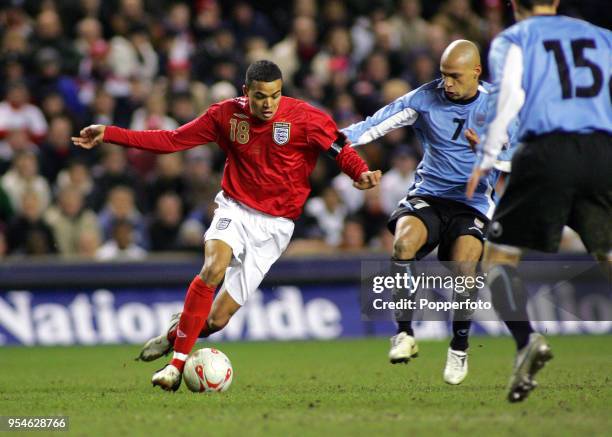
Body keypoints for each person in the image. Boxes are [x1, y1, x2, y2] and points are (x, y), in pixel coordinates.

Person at [72, 60, 381, 391]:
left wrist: (359, 172)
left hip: (276, 228)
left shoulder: (305, 117)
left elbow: (340, 149)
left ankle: (173, 336)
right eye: (261, 96)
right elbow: (172, 140)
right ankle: (176, 366)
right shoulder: (225, 116)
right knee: (213, 267)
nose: (268, 104)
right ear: (246, 92)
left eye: (275, 96)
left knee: (216, 321)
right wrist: (110, 133)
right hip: (235, 207)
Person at [343, 40, 516, 385]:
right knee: (402, 245)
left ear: (476, 72)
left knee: (465, 267)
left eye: (455, 76)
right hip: (429, 195)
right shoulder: (424, 98)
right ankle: (404, 333)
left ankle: (459, 347)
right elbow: (373, 125)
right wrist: (329, 140)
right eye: (443, 75)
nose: (447, 83)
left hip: (473, 203)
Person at [466, 0, 611, 402]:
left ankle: (526, 341)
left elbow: (508, 98)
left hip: (545, 151)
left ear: (515, 6)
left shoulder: (514, 38)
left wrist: (486, 157)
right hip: (602, 149)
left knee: (498, 259)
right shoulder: (600, 36)